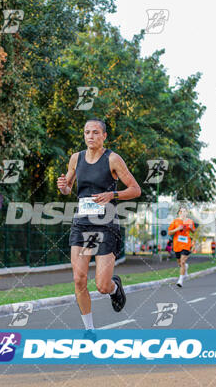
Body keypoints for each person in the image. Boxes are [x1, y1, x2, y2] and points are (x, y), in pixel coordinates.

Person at [57, 119, 141, 332]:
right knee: (79, 279)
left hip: (105, 226)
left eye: (95, 132)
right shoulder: (76, 158)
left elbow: (135, 189)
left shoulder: (112, 159)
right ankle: (90, 330)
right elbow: (67, 188)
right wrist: (63, 187)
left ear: (104, 136)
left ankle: (114, 288)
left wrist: (112, 194)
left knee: (102, 286)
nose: (90, 136)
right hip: (82, 224)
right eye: (87, 132)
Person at [168, 207, 196, 287]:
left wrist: (191, 228)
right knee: (180, 263)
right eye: (181, 211)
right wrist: (177, 228)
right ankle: (185, 267)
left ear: (187, 213)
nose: (183, 213)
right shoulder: (175, 221)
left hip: (186, 244)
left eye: (185, 211)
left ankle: (180, 280)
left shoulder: (190, 221)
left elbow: (193, 231)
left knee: (183, 261)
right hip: (177, 244)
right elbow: (169, 232)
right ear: (179, 213)